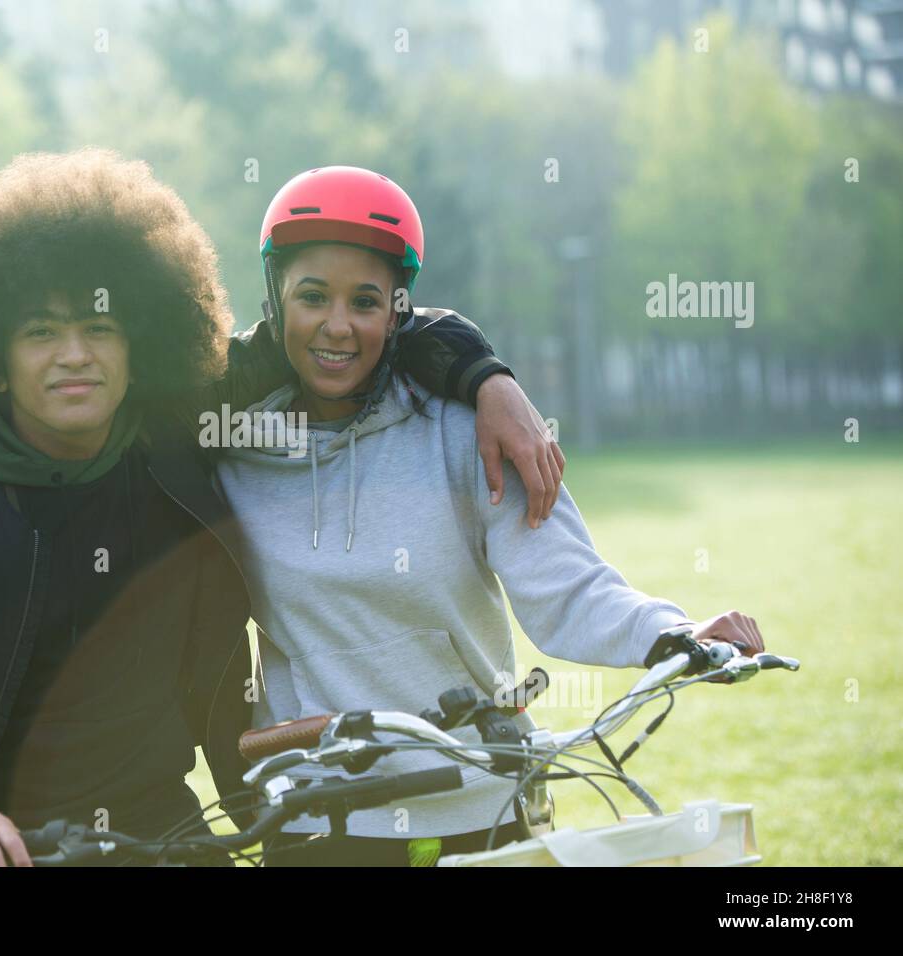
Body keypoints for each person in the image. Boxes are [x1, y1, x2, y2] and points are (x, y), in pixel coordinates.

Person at [0, 149, 561, 866]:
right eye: (40, 333)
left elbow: (337, 325)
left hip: (158, 835)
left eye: (99, 329)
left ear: (138, 347)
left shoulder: (171, 449)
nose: (74, 355)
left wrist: (484, 374)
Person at [213, 165, 767, 867]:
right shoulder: (230, 449)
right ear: (276, 300)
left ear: (398, 311)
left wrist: (672, 632)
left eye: (366, 301)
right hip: (317, 818)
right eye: (312, 297)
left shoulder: (468, 431)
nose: (338, 326)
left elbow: (568, 586)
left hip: (485, 801)